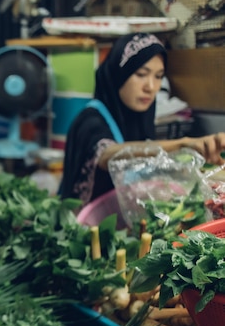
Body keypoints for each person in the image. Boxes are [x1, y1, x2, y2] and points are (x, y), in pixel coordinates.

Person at [59, 32, 225, 204]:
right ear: (119, 75)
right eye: (141, 74)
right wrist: (182, 145)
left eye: (158, 76)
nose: (151, 87)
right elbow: (107, 155)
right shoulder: (90, 121)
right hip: (86, 223)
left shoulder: (140, 118)